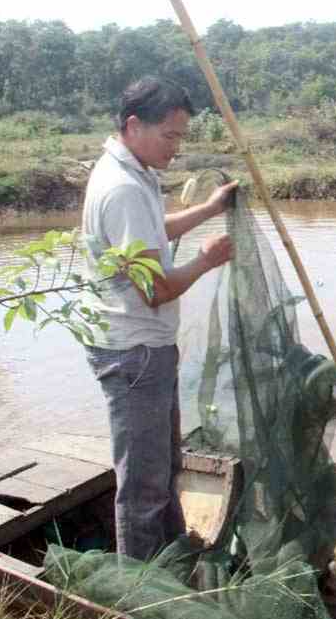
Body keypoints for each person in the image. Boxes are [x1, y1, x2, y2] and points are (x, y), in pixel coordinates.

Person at [80, 76, 238, 560]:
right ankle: (139, 588)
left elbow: (152, 233)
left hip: (145, 349)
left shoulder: (132, 171)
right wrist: (206, 260)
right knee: (144, 485)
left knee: (162, 465)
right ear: (133, 125)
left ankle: (169, 559)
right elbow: (155, 288)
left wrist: (208, 210)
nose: (177, 147)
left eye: (181, 137)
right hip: (134, 353)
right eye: (170, 136)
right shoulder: (123, 187)